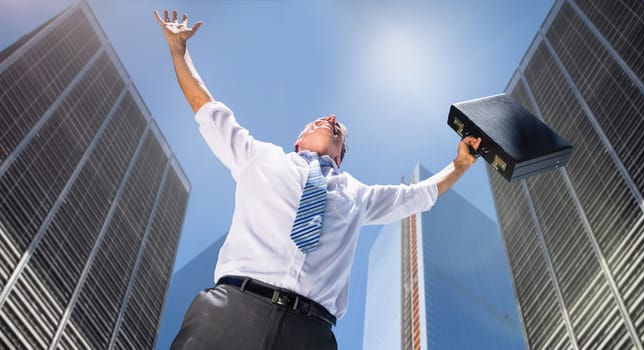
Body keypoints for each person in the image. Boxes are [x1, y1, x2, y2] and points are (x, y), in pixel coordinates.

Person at [155, 9, 482, 350]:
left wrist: (459, 165)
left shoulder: (357, 194)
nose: (330, 119)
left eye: (338, 129)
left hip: (309, 331)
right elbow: (205, 106)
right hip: (233, 310)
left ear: (341, 154)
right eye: (318, 121)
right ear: (298, 140)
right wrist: (179, 51)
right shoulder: (259, 157)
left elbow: (419, 195)